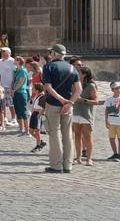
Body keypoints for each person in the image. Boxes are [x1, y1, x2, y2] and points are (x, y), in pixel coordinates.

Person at [41, 44, 81, 174]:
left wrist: (61, 100)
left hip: (53, 104)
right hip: (68, 106)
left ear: (53, 53)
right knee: (68, 135)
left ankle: (56, 165)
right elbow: (78, 89)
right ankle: (68, 165)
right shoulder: (72, 68)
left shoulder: (48, 66)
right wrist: (69, 103)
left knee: (54, 134)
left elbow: (47, 86)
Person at [72, 65, 99, 166]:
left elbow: (96, 101)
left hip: (86, 114)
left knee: (87, 137)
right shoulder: (75, 84)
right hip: (76, 112)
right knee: (77, 136)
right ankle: (78, 158)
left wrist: (83, 100)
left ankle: (89, 158)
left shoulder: (91, 86)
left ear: (84, 75)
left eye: (79, 72)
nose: (77, 74)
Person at [11, 55, 30, 135]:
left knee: (23, 111)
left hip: (21, 92)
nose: (14, 61)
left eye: (15, 60)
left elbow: (21, 82)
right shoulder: (15, 70)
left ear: (19, 61)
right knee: (18, 111)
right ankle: (21, 128)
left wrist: (14, 90)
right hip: (15, 92)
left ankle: (27, 131)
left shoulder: (23, 71)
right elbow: (14, 81)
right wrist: (12, 90)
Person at [105, 81, 120, 161]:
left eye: (119, 88)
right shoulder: (109, 99)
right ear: (112, 90)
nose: (118, 90)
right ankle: (115, 154)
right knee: (111, 138)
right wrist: (106, 121)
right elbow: (106, 111)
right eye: (116, 88)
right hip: (111, 122)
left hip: (119, 122)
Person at [29, 82, 46, 152]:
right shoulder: (36, 95)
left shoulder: (42, 97)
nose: (32, 89)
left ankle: (38, 145)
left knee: (37, 130)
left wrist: (35, 110)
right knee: (30, 131)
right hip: (34, 114)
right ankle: (41, 142)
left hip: (38, 114)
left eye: (33, 88)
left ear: (37, 90)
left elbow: (43, 108)